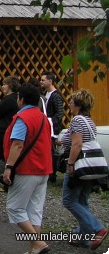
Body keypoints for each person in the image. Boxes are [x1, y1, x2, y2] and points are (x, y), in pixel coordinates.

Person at [1, 83, 52, 254]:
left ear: (21, 99)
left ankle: (38, 243)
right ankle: (33, 249)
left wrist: (8, 167)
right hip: (44, 168)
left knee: (14, 208)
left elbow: (17, 144)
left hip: (27, 168)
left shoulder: (23, 118)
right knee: (34, 210)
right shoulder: (43, 117)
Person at [60, 89, 108, 250]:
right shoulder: (90, 122)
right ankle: (82, 238)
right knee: (82, 201)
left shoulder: (77, 121)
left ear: (78, 105)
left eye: (71, 102)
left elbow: (77, 144)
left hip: (80, 166)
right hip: (91, 167)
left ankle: (97, 229)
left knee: (69, 200)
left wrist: (71, 164)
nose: (70, 105)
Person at [40, 71, 64, 183]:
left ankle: (53, 174)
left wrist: (50, 123)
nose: (41, 82)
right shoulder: (45, 94)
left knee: (52, 151)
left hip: (53, 129)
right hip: (48, 128)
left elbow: (59, 114)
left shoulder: (56, 96)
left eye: (43, 80)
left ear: (50, 81)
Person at [0, 76, 20, 166]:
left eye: (4, 84)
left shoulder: (9, 99)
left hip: (4, 129)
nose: (2, 86)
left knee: (3, 153)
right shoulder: (17, 98)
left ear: (10, 86)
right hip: (13, 127)